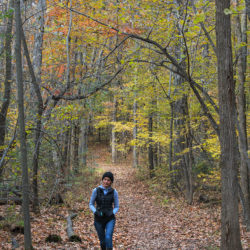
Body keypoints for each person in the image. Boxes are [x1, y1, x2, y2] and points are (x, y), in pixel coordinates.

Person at [89, 171, 119, 250]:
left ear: (111, 182)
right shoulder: (96, 190)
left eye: (108, 180)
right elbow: (91, 204)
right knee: (102, 241)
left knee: (108, 237)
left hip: (110, 219)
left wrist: (112, 212)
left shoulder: (114, 192)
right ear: (102, 180)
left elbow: (117, 206)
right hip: (98, 218)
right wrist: (95, 211)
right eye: (105, 179)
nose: (106, 181)